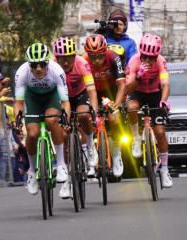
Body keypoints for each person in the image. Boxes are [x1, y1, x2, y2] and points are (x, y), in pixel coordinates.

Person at [14, 43, 71, 197]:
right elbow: (19, 103)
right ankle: (32, 171)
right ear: (28, 64)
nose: (38, 68)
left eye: (42, 64)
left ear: (48, 62)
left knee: (52, 121)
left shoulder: (57, 71)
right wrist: (17, 121)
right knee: (32, 134)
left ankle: (61, 164)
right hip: (32, 99)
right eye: (34, 65)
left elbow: (65, 102)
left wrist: (65, 119)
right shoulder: (22, 73)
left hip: (51, 97)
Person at [125, 33, 173, 188]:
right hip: (137, 92)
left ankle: (164, 169)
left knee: (159, 132)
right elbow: (127, 89)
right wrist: (138, 77)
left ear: (156, 55)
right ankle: (136, 138)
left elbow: (165, 85)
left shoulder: (161, 61)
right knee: (131, 108)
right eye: (145, 56)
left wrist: (163, 101)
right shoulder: (133, 61)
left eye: (151, 58)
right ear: (141, 53)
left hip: (154, 93)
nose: (147, 61)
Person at [52, 37, 99, 180]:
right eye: (62, 59)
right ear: (56, 58)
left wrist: (94, 113)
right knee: (63, 134)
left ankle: (90, 147)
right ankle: (64, 170)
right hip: (61, 98)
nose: (65, 62)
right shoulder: (52, 66)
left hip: (80, 94)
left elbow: (91, 91)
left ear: (74, 56)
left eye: (69, 58)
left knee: (83, 115)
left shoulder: (82, 64)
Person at [84, 34, 126, 178]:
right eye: (92, 56)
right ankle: (88, 156)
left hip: (110, 92)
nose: (96, 60)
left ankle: (116, 155)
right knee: (84, 118)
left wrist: (117, 105)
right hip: (91, 91)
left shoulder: (113, 57)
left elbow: (122, 85)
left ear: (105, 51)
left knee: (114, 119)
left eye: (100, 56)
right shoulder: (83, 61)